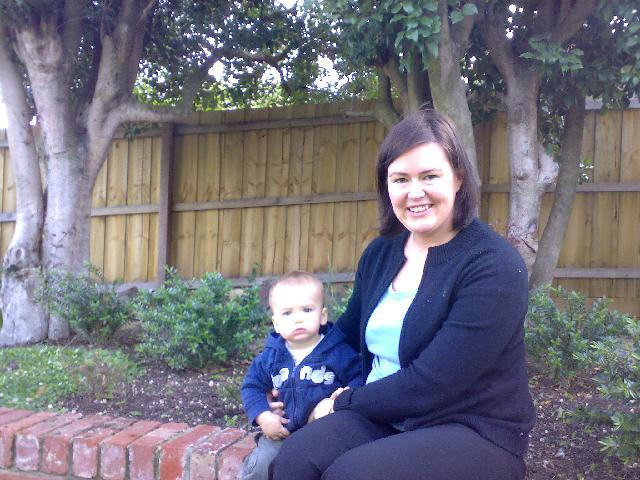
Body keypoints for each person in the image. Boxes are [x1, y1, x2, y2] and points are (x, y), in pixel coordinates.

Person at [269, 109, 536, 480]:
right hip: (384, 415)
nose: (415, 192)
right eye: (400, 179)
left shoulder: (493, 266)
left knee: (350, 475)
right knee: (295, 460)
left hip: (471, 427)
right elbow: (343, 336)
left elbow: (433, 384)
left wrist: (342, 402)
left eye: (430, 176)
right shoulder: (382, 253)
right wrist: (281, 376)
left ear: (458, 178)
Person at [240, 271, 362, 480]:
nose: (298, 319)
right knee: (262, 464)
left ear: (322, 316)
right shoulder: (271, 357)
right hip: (281, 433)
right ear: (276, 323)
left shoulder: (337, 352)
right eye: (287, 313)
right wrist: (263, 416)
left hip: (324, 434)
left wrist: (344, 395)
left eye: (307, 310)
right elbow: (252, 386)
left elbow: (359, 377)